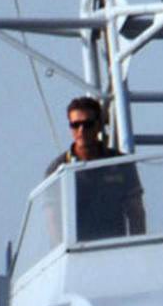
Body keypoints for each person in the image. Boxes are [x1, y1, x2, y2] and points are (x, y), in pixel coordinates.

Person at [46, 95, 146, 241]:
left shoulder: (121, 163)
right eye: (75, 125)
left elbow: (136, 211)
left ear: (98, 125)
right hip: (77, 251)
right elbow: (53, 219)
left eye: (88, 124)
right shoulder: (58, 169)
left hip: (115, 247)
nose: (81, 130)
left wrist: (138, 248)